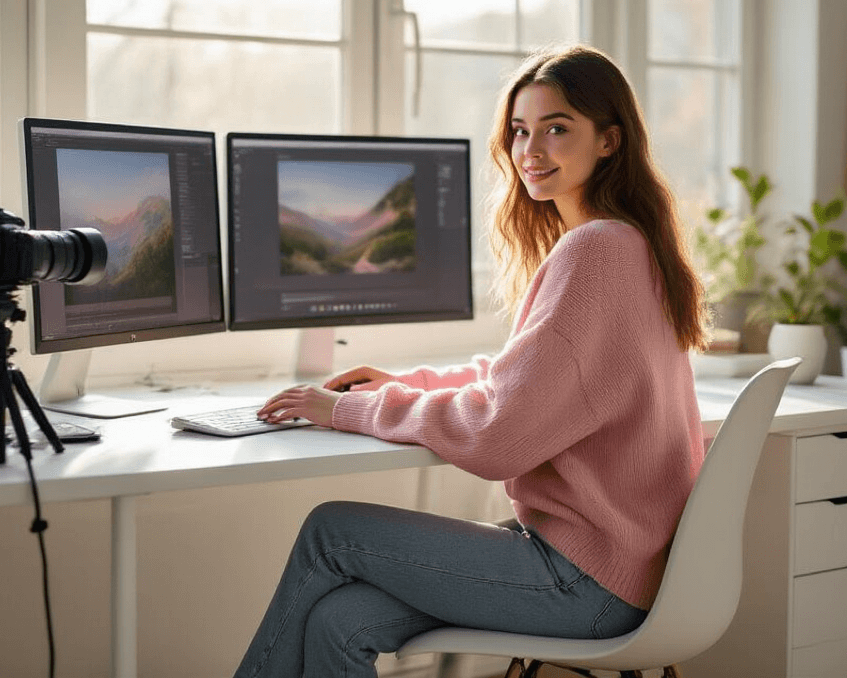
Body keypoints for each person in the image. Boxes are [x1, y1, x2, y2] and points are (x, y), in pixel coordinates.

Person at [235, 44, 710, 678]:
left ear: (609, 141)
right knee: (338, 620)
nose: (530, 151)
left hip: (586, 581)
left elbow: (499, 438)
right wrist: (413, 384)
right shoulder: (630, 245)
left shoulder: (595, 252)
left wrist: (352, 407)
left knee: (331, 531)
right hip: (619, 570)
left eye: (557, 129)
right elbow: (528, 379)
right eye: (519, 131)